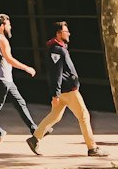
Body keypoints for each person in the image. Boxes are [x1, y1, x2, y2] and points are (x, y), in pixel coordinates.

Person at [27, 21, 104, 157]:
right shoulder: (57, 50)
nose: (69, 33)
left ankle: (35, 139)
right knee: (84, 116)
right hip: (68, 90)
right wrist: (55, 94)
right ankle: (92, 148)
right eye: (65, 31)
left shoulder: (60, 48)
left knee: (55, 116)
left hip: (64, 90)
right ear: (58, 33)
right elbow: (55, 73)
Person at [0, 13, 37, 139]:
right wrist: (26, 68)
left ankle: (34, 129)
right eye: (8, 25)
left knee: (20, 103)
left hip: (6, 79)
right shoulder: (2, 40)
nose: (10, 27)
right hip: (3, 79)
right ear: (2, 25)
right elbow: (9, 59)